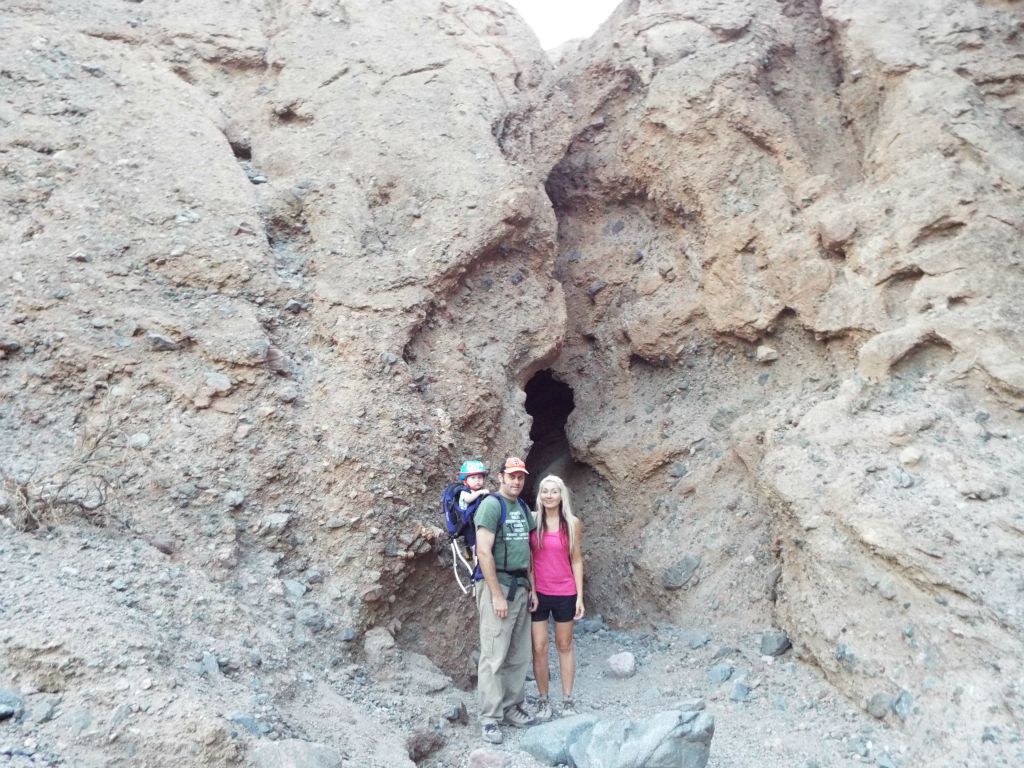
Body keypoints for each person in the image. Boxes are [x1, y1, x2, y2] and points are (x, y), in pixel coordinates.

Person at [474, 456, 537, 744]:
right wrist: (497, 594)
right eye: (511, 476)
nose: (516, 481)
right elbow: (483, 552)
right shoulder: (491, 505)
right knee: (494, 655)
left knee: (518, 655)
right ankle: (489, 718)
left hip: (521, 587)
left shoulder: (522, 507)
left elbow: (528, 552)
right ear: (500, 477)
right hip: (498, 587)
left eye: (520, 477)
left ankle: (511, 707)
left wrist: (532, 589)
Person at [528, 475, 584, 719]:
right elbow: (528, 559)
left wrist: (580, 597)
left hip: (565, 591)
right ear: (539, 495)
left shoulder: (572, 523)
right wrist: (531, 589)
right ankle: (543, 700)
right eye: (545, 491)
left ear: (562, 495)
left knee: (564, 645)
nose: (549, 496)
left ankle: (568, 700)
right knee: (539, 648)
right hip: (539, 592)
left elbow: (576, 559)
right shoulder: (532, 520)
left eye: (554, 491)